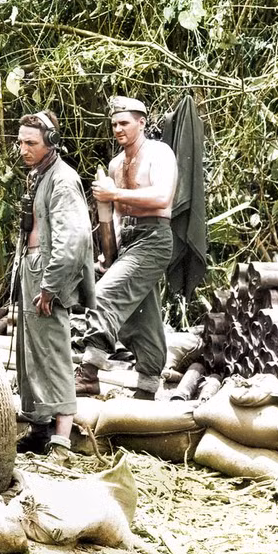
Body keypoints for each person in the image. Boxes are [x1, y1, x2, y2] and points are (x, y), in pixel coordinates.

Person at [75, 97, 177, 400]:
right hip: (128, 241)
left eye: (125, 123)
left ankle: (89, 372)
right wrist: (109, 254)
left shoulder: (160, 153)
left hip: (154, 238)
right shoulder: (116, 164)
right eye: (114, 124)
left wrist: (114, 192)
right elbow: (114, 215)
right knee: (142, 318)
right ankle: (147, 386)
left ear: (142, 122)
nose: (118, 129)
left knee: (104, 296)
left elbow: (162, 199)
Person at [13, 112, 94, 459]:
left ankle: (61, 439)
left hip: (47, 273)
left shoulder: (63, 180)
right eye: (20, 142)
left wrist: (50, 286)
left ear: (51, 142)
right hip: (32, 268)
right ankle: (39, 428)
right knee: (29, 353)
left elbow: (72, 239)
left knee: (53, 352)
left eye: (31, 142)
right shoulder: (39, 176)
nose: (23, 149)